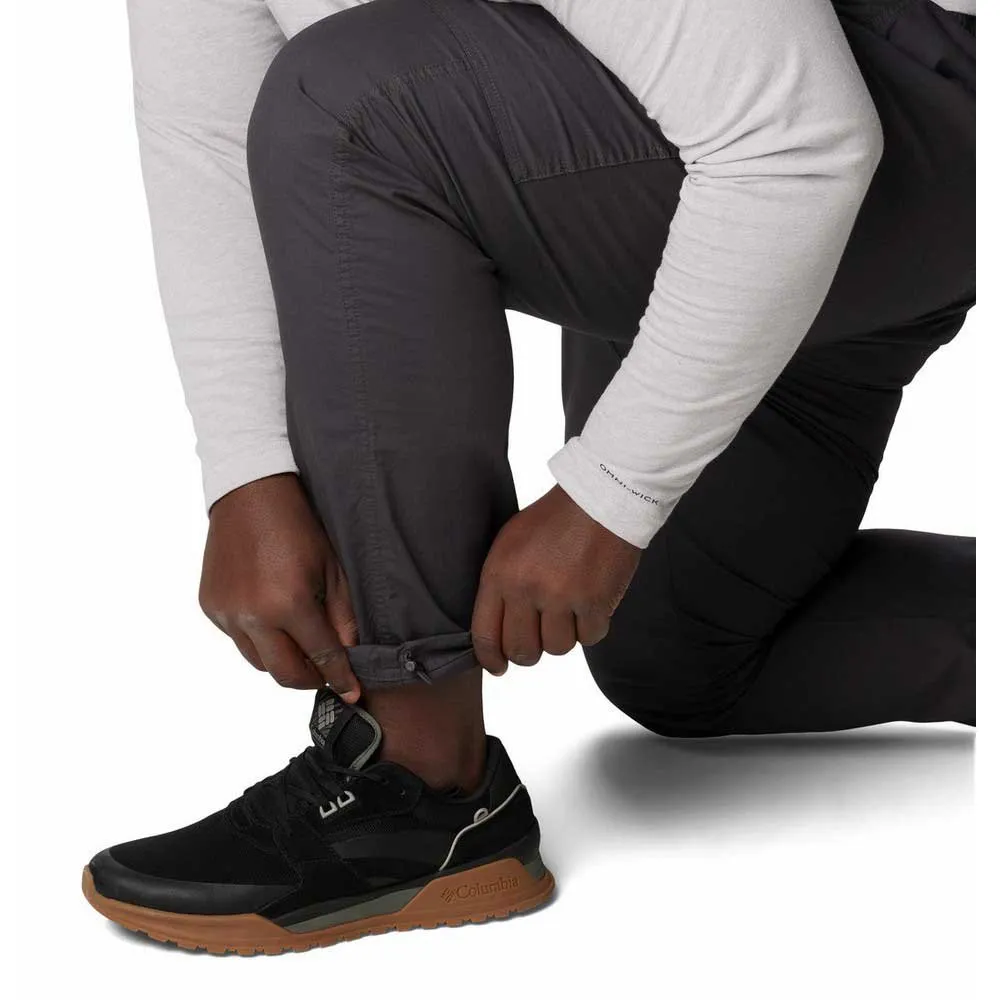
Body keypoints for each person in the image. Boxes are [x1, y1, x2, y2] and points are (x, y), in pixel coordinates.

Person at [82, 0, 975, 954]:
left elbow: (796, 143)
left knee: (360, 105)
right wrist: (248, 471)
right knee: (683, 649)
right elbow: (208, 138)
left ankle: (419, 786)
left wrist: (610, 496)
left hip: (906, 118)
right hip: (731, 139)